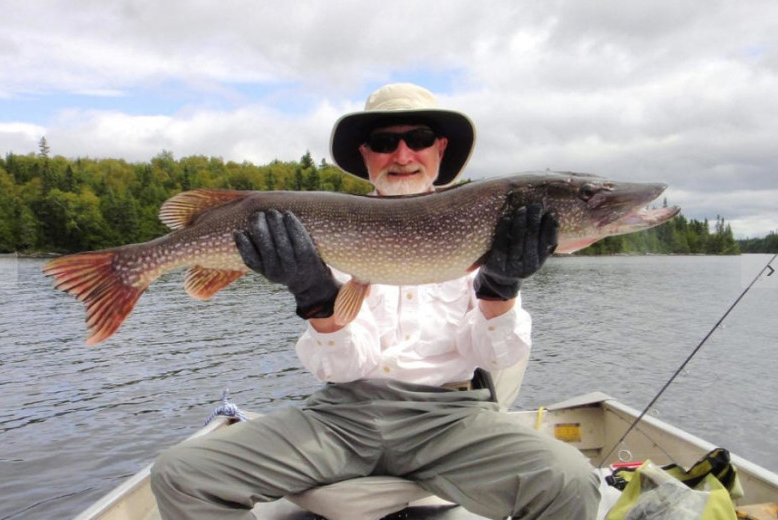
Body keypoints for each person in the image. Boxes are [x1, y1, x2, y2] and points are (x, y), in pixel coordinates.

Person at [151, 83, 600, 520]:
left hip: (452, 422)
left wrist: (500, 287)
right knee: (181, 474)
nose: (402, 155)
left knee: (569, 482)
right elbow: (340, 369)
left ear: (440, 149)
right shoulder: (330, 224)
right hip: (340, 418)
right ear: (366, 155)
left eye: (419, 140)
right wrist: (317, 296)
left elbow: (492, 356)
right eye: (385, 142)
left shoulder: (491, 223)